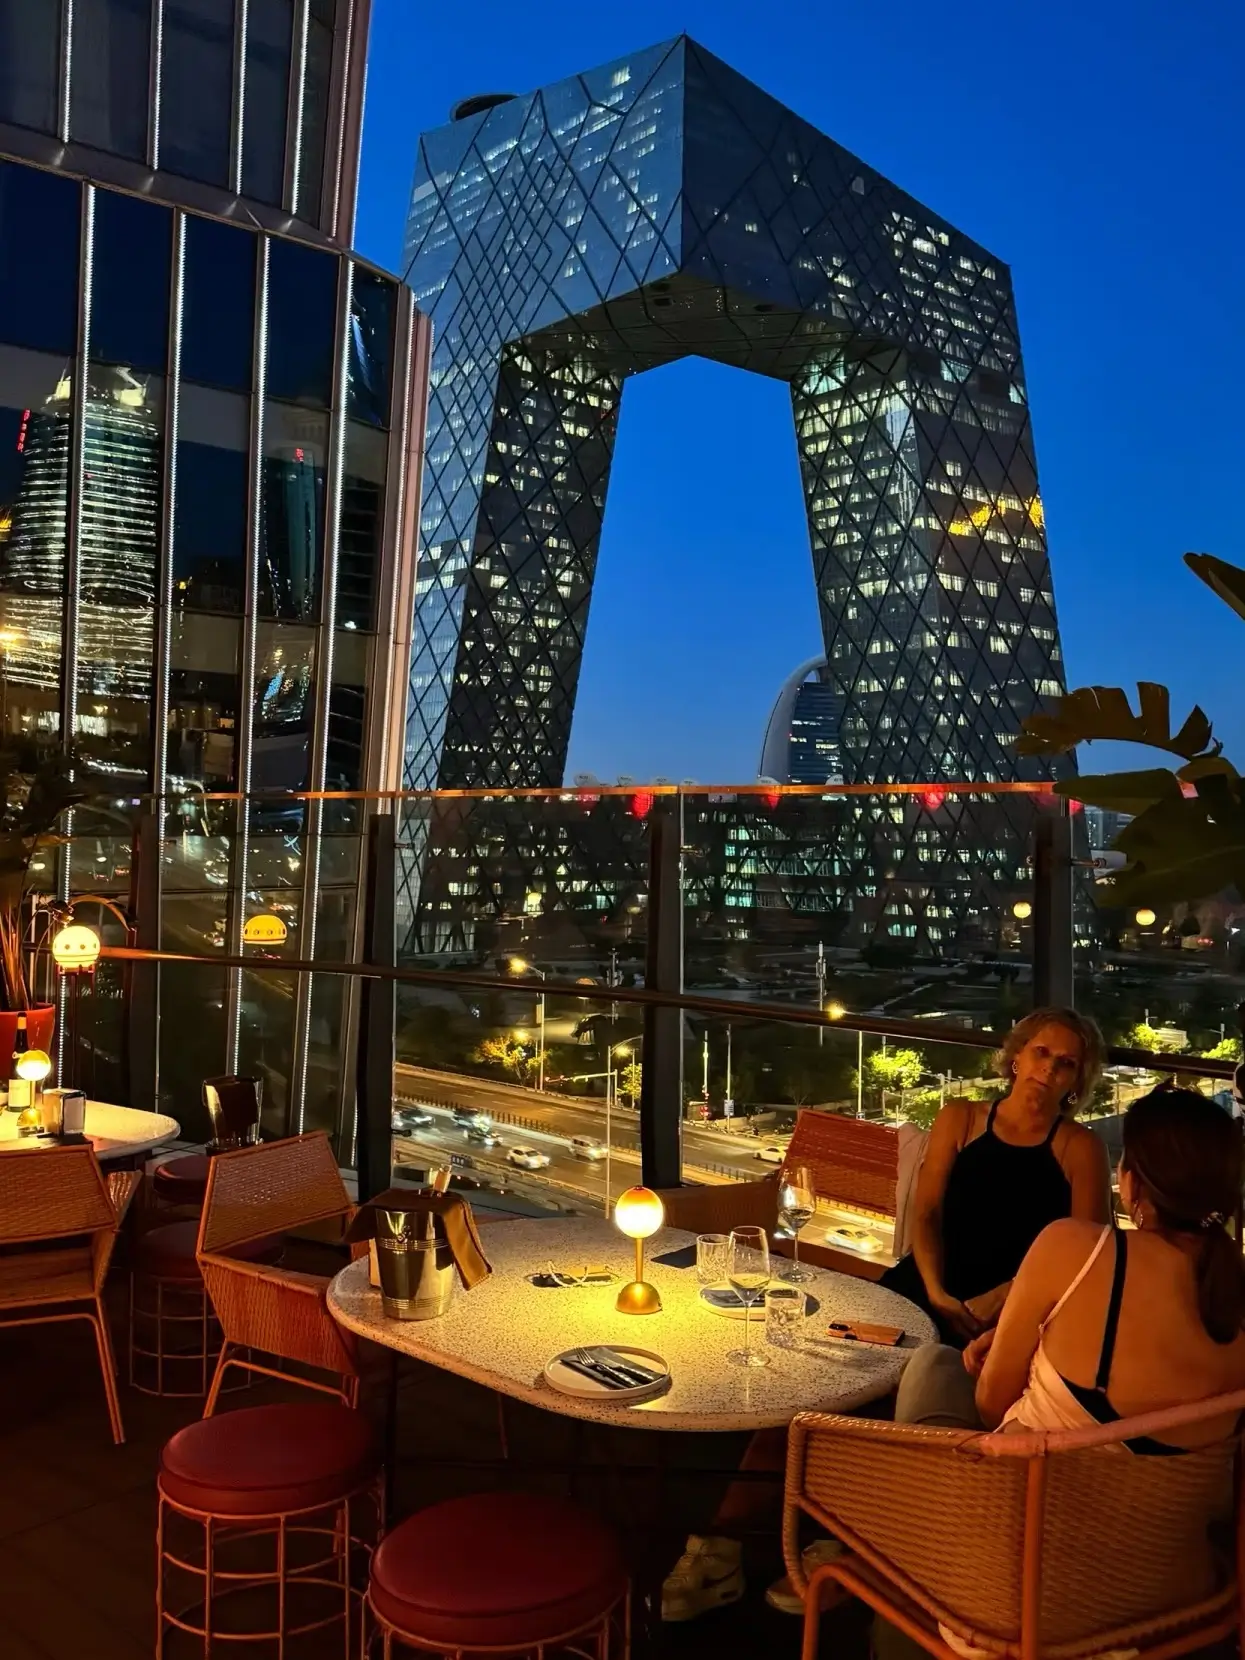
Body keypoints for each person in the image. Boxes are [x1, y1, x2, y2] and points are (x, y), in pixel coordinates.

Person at [882, 1007, 1111, 1344]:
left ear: (1077, 1081)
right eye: (1041, 1052)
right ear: (1017, 1055)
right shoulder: (959, 1118)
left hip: (1016, 1310)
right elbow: (927, 1212)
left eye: (1067, 1063)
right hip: (930, 1281)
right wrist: (935, 1292)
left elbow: (1087, 1257)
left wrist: (1003, 1299)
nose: (1049, 1068)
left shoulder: (1082, 1149)